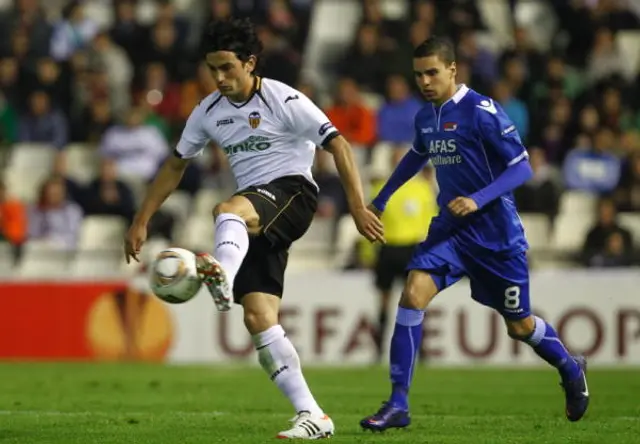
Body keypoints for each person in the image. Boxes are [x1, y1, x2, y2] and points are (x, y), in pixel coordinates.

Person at [124, 18, 384, 440]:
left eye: (227, 67)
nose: (220, 77)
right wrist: (142, 218)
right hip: (255, 215)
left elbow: (338, 143)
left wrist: (356, 207)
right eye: (213, 69)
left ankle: (221, 273)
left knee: (225, 209)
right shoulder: (207, 111)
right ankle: (313, 415)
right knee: (259, 317)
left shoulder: (284, 98)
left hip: (294, 194)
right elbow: (175, 164)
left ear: (249, 63)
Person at [360, 36, 589, 432]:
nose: (425, 81)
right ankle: (398, 404)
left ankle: (570, 367)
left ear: (452, 69)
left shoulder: (482, 110)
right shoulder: (425, 116)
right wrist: (380, 201)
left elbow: (521, 168)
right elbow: (416, 155)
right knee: (412, 293)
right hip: (450, 229)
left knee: (519, 326)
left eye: (432, 72)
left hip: (496, 234)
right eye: (418, 75)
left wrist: (478, 199)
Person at [369, 148, 436, 362]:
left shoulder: (422, 189)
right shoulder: (381, 188)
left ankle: (421, 350)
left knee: (415, 300)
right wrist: (368, 252)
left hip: (412, 249)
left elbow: (431, 221)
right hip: (388, 247)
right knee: (384, 302)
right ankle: (379, 350)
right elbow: (371, 222)